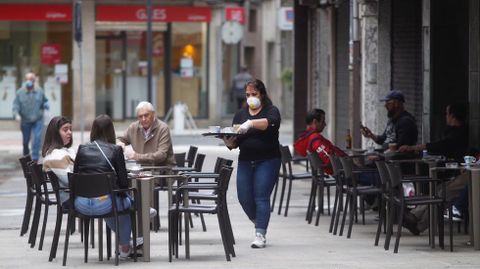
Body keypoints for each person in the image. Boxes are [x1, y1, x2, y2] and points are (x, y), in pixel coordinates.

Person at [223, 79, 281, 248]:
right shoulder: (240, 114)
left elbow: (270, 123)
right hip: (246, 160)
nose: (250, 98)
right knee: (244, 197)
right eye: (247, 95)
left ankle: (260, 234)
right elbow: (235, 142)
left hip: (268, 160)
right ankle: (259, 221)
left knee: (261, 197)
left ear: (261, 94)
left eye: (254, 94)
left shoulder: (271, 111)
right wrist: (228, 142)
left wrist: (250, 124)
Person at [397, 104, 469, 235]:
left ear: (452, 115)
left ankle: (416, 220)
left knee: (443, 193)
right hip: (459, 172)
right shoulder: (451, 132)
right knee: (440, 190)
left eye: (447, 114)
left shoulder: (460, 133)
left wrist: (414, 148)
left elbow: (441, 145)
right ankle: (416, 219)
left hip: (467, 175)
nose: (445, 116)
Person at [74, 114, 137, 259]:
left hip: (81, 204)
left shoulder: (82, 148)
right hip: (105, 204)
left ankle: (126, 241)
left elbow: (76, 177)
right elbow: (123, 184)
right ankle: (126, 246)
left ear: (93, 130)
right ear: (111, 131)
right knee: (123, 204)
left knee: (112, 199)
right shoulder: (116, 150)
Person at [117, 101, 175, 167]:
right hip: (143, 172)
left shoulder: (163, 128)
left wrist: (137, 156)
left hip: (164, 172)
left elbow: (161, 155)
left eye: (146, 115)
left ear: (153, 114)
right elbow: (119, 139)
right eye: (140, 116)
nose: (143, 119)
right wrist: (119, 143)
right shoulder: (133, 127)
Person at [293, 108, 347, 175]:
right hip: (344, 173)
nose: (325, 124)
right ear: (315, 122)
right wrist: (347, 162)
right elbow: (329, 159)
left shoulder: (309, 137)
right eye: (323, 121)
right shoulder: (315, 139)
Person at [12, 72, 49, 161]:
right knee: (25, 141)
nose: (29, 81)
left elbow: (45, 100)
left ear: (34, 80)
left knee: (37, 138)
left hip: (38, 119)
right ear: (25, 81)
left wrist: (46, 105)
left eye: (31, 79)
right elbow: (15, 105)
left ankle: (35, 159)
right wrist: (16, 115)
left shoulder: (40, 91)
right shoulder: (20, 92)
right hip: (25, 120)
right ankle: (26, 156)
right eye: (27, 79)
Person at [41, 116, 75, 207]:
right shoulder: (55, 156)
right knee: (112, 202)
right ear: (55, 133)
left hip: (75, 196)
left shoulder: (65, 151)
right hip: (69, 199)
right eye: (65, 130)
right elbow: (70, 180)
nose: (70, 132)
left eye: (70, 129)